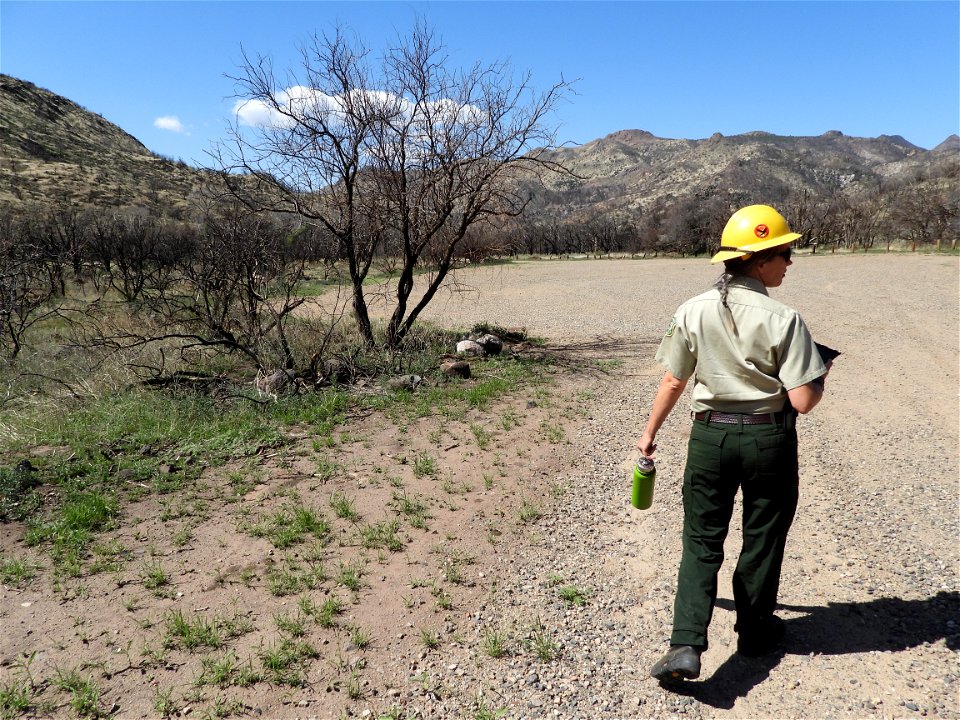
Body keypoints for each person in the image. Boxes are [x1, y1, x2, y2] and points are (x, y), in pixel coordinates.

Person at [638, 204, 831, 683]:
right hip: (768, 440)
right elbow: (803, 401)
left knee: (701, 540)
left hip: (709, 436)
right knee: (762, 538)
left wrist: (649, 435)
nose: (789, 262)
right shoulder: (784, 317)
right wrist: (821, 373)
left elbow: (672, 380)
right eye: (785, 253)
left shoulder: (692, 309)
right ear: (758, 260)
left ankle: (685, 643)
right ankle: (754, 633)